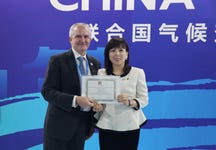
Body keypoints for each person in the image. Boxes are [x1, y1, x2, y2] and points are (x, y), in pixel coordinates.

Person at [41, 22, 101, 150]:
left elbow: (96, 92)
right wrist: (75, 100)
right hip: (58, 128)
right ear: (70, 39)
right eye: (78, 36)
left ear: (90, 39)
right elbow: (47, 91)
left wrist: (98, 103)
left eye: (86, 36)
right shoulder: (57, 61)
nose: (83, 40)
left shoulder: (95, 63)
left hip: (82, 127)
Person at [95, 37, 149, 150]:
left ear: (127, 54)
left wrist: (129, 101)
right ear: (108, 55)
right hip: (107, 124)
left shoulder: (137, 72)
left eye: (121, 50)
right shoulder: (101, 73)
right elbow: (99, 99)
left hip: (130, 125)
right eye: (113, 50)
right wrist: (97, 106)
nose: (117, 54)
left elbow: (144, 99)